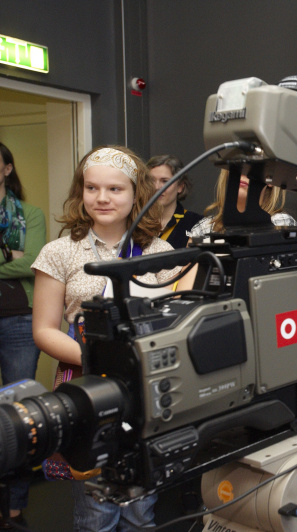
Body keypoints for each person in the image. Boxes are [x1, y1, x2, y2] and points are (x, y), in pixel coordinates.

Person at [31, 145, 180, 532]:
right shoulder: (59, 252)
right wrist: (100, 358)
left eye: (115, 189)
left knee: (140, 505)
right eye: (92, 188)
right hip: (86, 382)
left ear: (136, 195)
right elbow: (44, 330)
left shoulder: (160, 252)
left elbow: (173, 324)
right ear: (81, 192)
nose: (102, 198)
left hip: (144, 388)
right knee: (95, 506)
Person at [0, 142, 46, 529]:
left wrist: (20, 262)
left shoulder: (30, 214)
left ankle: (14, 508)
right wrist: (8, 259)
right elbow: (16, 261)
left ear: (6, 169)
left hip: (19, 322)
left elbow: (33, 263)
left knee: (19, 415)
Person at [188, 167, 296, 239]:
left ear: (270, 179)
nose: (243, 173)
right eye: (238, 166)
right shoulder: (204, 227)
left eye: (253, 166)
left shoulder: (280, 223)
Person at [147, 154, 203, 249]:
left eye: (165, 181)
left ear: (180, 186)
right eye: (151, 181)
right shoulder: (135, 222)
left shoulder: (197, 224)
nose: (156, 187)